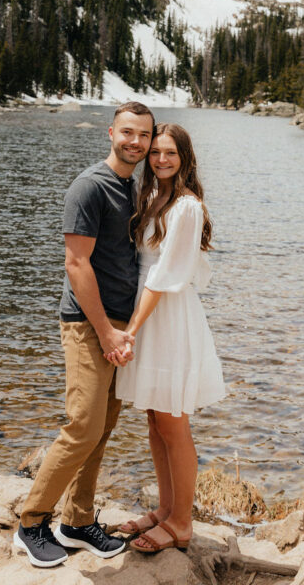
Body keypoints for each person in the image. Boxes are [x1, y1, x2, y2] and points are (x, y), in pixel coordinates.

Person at [13, 101, 155, 569]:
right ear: (110, 133)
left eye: (144, 135)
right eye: (127, 133)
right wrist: (106, 333)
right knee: (83, 426)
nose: (135, 142)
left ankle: (76, 521)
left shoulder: (131, 187)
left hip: (117, 325)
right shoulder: (90, 187)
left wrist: (126, 330)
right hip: (88, 324)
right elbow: (76, 265)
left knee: (104, 427)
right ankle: (32, 522)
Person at [111, 123, 225, 554]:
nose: (160, 159)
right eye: (155, 152)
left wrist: (131, 330)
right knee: (155, 420)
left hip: (166, 314)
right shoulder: (154, 197)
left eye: (170, 153)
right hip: (147, 307)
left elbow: (164, 276)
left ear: (185, 157)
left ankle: (182, 522)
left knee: (173, 422)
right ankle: (164, 508)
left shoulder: (187, 207)